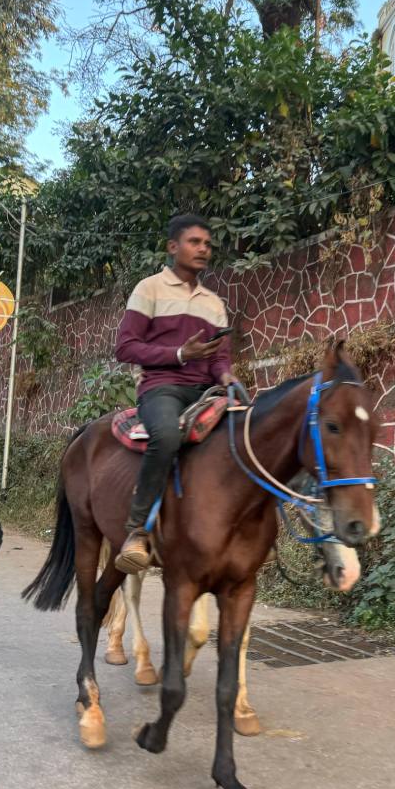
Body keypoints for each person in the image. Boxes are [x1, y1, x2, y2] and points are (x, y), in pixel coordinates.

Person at [114, 213, 236, 573]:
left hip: (206, 392)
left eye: (207, 244)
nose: (203, 249)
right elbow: (125, 347)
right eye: (194, 242)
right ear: (172, 247)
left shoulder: (214, 303)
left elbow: (220, 357)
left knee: (252, 431)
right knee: (167, 435)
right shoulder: (149, 289)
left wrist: (227, 376)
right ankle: (137, 530)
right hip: (161, 388)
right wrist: (181, 353)